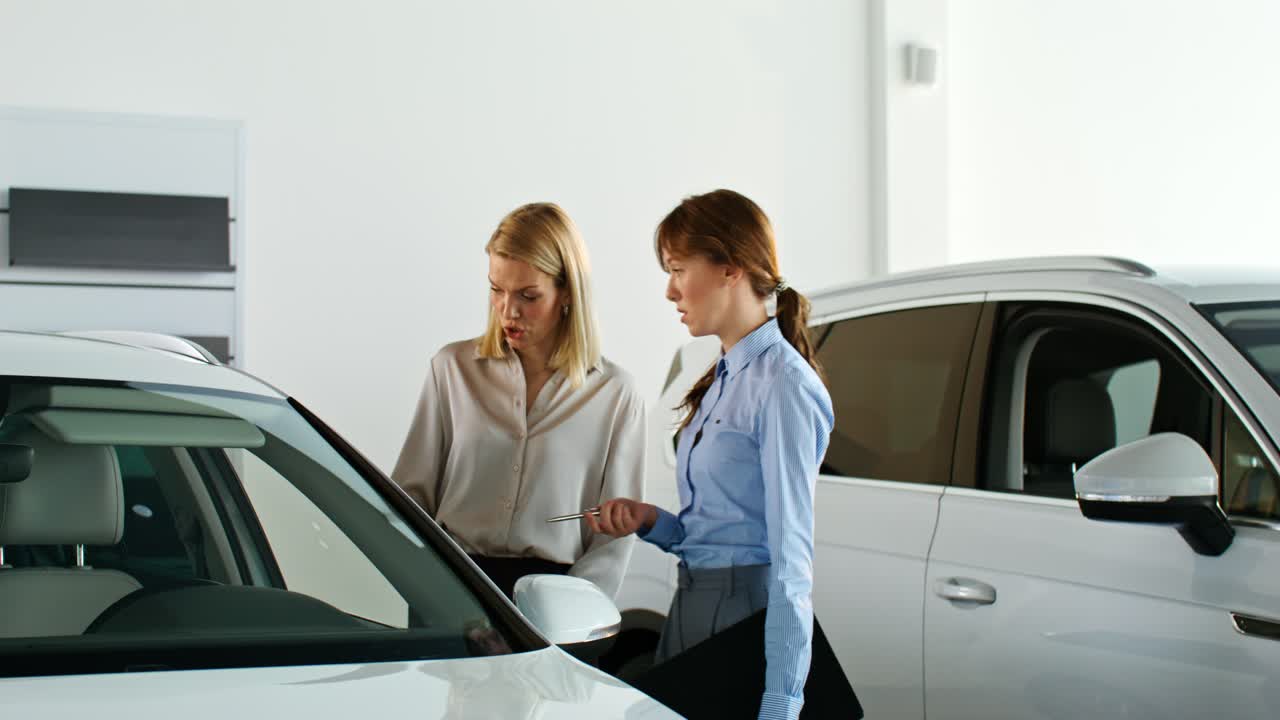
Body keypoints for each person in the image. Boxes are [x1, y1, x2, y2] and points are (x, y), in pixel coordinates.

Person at [587, 189, 833, 720]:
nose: (670, 290)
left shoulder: (783, 385)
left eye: (678, 268)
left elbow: (791, 563)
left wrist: (783, 702)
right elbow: (721, 530)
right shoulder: (720, 376)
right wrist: (653, 522)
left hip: (745, 613)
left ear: (731, 268)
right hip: (692, 603)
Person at [392, 202, 645, 599]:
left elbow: (613, 538)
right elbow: (410, 498)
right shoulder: (452, 369)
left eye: (528, 296)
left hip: (557, 601)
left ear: (567, 293)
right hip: (452, 591)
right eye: (497, 290)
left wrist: (574, 611)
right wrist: (428, 589)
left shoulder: (614, 394)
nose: (508, 311)